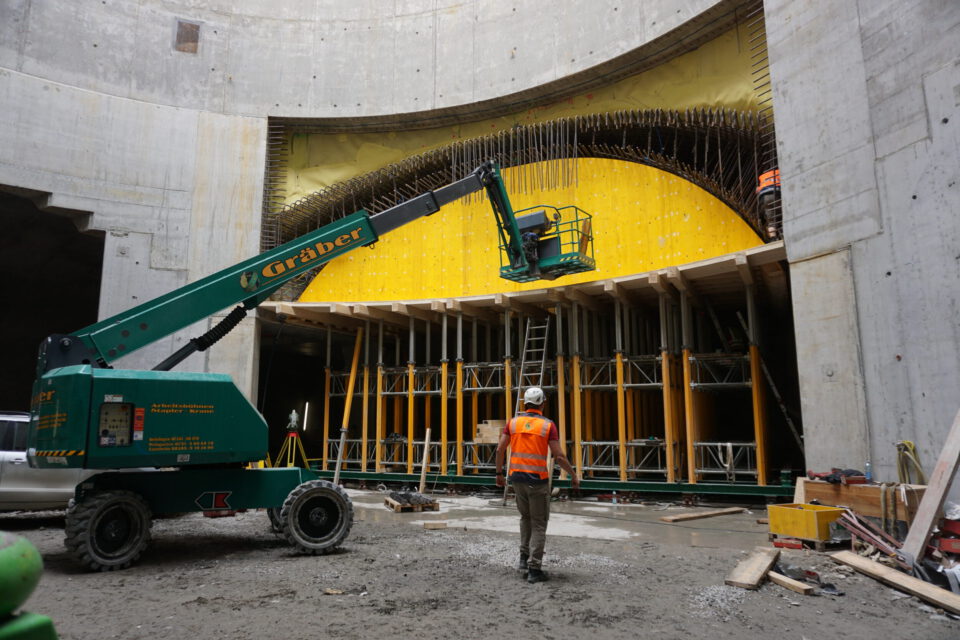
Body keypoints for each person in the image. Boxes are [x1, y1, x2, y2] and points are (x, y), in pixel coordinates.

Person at [495, 386, 579, 583]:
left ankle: (523, 559)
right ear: (543, 403)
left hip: (517, 479)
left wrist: (499, 474)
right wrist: (573, 475)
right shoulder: (547, 426)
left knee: (525, 518)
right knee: (539, 523)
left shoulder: (513, 423)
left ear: (525, 403)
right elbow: (559, 456)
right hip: (537, 482)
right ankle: (534, 569)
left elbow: (500, 450)